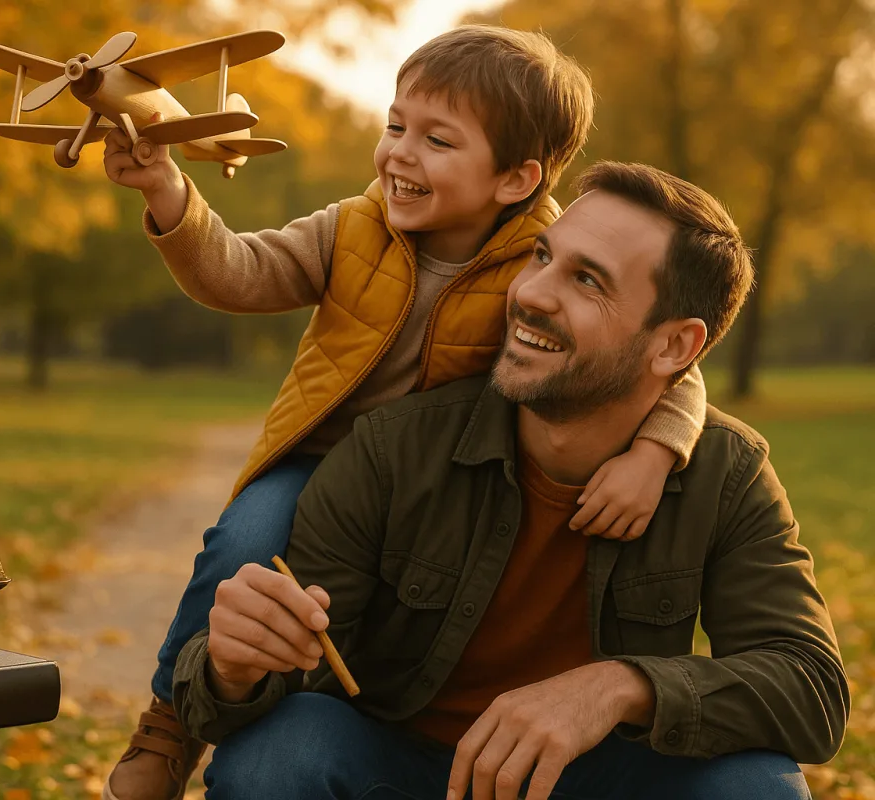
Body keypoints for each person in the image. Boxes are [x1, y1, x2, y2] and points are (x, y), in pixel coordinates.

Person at [101, 27, 709, 800]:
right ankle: (171, 721)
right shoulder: (351, 228)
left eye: (437, 140)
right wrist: (168, 194)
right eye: (394, 127)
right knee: (247, 542)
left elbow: (665, 363)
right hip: (319, 458)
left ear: (516, 178)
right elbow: (240, 273)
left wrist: (655, 452)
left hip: (436, 486)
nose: (400, 154)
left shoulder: (542, 257)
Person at [173, 161, 849, 800]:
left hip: (597, 778)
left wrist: (617, 687)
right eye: (544, 256)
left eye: (588, 281)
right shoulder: (390, 447)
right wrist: (232, 670)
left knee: (753, 782)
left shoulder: (725, 473)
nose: (529, 293)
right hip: (401, 771)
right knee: (278, 752)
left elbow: (810, 688)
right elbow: (283, 678)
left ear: (674, 346)